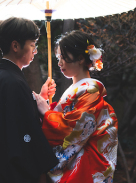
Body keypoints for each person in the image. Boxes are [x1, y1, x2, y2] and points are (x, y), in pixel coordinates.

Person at [0, 17, 59, 183]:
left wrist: (40, 98)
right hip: (14, 174)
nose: (35, 51)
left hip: (1, 169)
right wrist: (41, 170)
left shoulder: (1, 77)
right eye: (32, 45)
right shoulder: (14, 82)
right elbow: (24, 132)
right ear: (15, 46)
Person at [41, 31, 118, 183]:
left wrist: (45, 112)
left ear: (81, 58)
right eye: (58, 58)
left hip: (86, 169)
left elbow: (73, 128)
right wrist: (44, 100)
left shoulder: (91, 91)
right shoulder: (80, 90)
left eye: (63, 57)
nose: (59, 62)